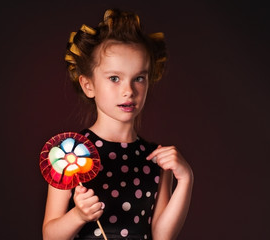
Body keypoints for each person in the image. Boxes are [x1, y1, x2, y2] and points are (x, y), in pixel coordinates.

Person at [42, 8, 193, 240]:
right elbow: (50, 236)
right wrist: (78, 216)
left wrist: (186, 179)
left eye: (139, 78)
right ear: (88, 85)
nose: (128, 91)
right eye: (114, 78)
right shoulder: (69, 152)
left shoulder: (157, 160)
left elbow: (163, 237)